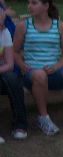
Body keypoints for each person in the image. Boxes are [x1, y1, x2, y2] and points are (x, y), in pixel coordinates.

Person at [13, 0, 63, 135]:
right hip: (32, 74)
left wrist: (56, 66)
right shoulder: (23, 26)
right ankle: (43, 118)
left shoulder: (60, 26)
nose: (29, 6)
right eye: (29, 3)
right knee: (40, 75)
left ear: (46, 6)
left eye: (34, 3)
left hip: (54, 72)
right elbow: (15, 51)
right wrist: (22, 65)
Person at [0, 6, 27, 142]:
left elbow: (10, 64)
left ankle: (20, 126)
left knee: (13, 79)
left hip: (2, 73)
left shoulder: (5, 33)